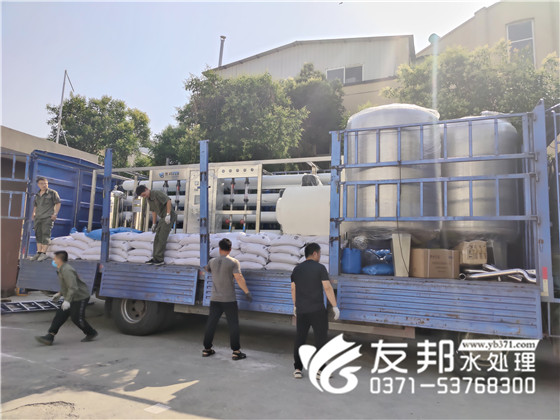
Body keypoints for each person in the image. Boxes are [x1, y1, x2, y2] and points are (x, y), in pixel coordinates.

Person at [291, 242, 340, 379]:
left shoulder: (297, 269)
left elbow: (293, 288)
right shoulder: (320, 268)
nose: (320, 256)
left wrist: (295, 305)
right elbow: (327, 287)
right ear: (314, 253)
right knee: (320, 339)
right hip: (317, 310)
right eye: (319, 253)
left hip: (302, 310)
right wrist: (334, 306)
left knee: (300, 338)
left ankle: (298, 369)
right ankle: (320, 370)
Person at [202, 238, 253, 360]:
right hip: (229, 299)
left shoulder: (212, 261)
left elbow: (206, 269)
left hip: (215, 298)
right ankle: (236, 351)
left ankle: (207, 349)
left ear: (219, 249)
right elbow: (239, 278)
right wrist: (247, 292)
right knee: (233, 324)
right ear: (230, 249)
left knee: (211, 323)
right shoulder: (233, 262)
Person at [35, 251, 98, 345]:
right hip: (71, 295)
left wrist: (67, 301)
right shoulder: (61, 269)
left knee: (77, 318)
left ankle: (91, 333)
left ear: (59, 259)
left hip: (80, 297)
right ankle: (50, 336)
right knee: (60, 315)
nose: (53, 260)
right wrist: (60, 293)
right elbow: (66, 285)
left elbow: (73, 287)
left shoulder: (67, 270)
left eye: (55, 258)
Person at [135, 185, 176, 265]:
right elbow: (153, 211)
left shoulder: (157, 193)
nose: (144, 197)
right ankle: (155, 258)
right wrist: (154, 223)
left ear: (146, 189)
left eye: (144, 194)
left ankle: (159, 259)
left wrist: (168, 215)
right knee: (157, 237)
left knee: (162, 236)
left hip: (169, 216)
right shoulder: (149, 199)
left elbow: (168, 201)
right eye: (142, 196)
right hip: (162, 217)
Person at [29, 177, 61, 261]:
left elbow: (58, 203)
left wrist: (55, 214)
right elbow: (35, 205)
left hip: (47, 218)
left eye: (45, 183)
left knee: (45, 235)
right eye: (42, 183)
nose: (44, 185)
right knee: (38, 235)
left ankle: (44, 253)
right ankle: (39, 253)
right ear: (38, 185)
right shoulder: (37, 194)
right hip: (38, 218)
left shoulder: (52, 193)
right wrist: (33, 213)